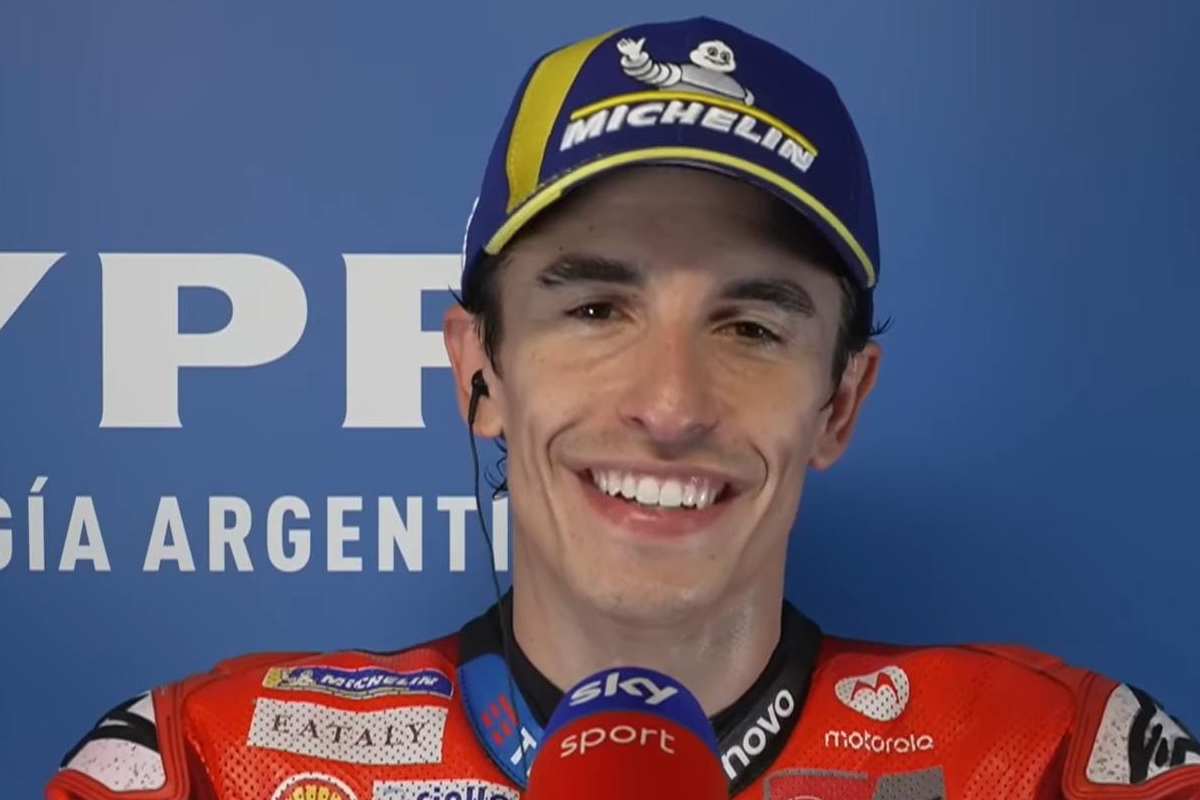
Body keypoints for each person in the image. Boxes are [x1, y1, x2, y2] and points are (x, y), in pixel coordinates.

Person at [47, 16, 1199, 800]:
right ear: (479, 373)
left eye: (751, 327)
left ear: (841, 404)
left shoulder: (1059, 760)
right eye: (597, 309)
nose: (670, 402)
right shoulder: (211, 763)